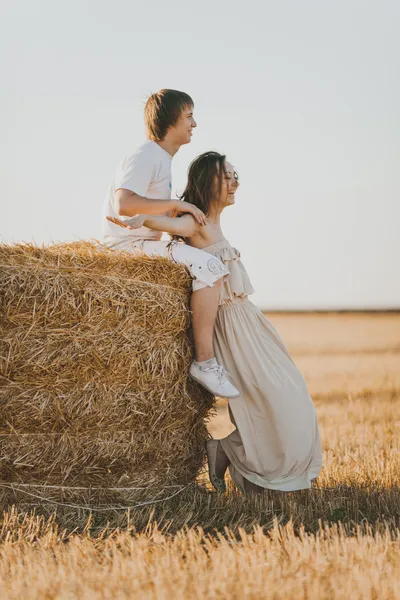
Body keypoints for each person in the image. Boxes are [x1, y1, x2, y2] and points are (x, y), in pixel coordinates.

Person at [109, 151, 323, 494]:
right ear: (209, 180)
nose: (235, 182)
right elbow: (166, 224)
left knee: (292, 391)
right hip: (232, 331)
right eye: (227, 176)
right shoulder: (195, 222)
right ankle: (248, 463)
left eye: (236, 174)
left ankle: (227, 450)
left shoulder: (212, 221)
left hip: (251, 323)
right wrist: (142, 221)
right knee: (275, 397)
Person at [103, 90, 239, 399]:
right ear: (170, 120)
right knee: (210, 266)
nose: (195, 123)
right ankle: (204, 362)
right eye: (189, 116)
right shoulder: (146, 155)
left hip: (141, 242)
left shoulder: (161, 161)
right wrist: (179, 204)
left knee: (205, 265)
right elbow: (124, 203)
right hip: (126, 245)